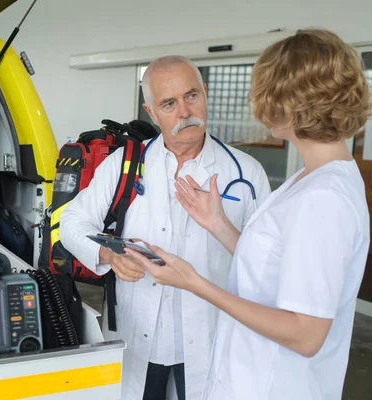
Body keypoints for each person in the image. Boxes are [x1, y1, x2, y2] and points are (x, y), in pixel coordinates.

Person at [125, 29, 371, 400]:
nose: (255, 101)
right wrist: (220, 226)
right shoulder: (314, 177)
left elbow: (306, 334)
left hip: (275, 386)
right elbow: (277, 270)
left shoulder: (324, 198)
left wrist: (195, 283)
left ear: (293, 101)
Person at [58, 55, 271, 400]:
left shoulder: (245, 174)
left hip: (210, 335)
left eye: (191, 95)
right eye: (169, 103)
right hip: (139, 331)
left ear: (205, 93)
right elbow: (71, 221)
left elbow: (267, 264)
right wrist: (106, 254)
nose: (185, 112)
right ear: (152, 112)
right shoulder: (125, 165)